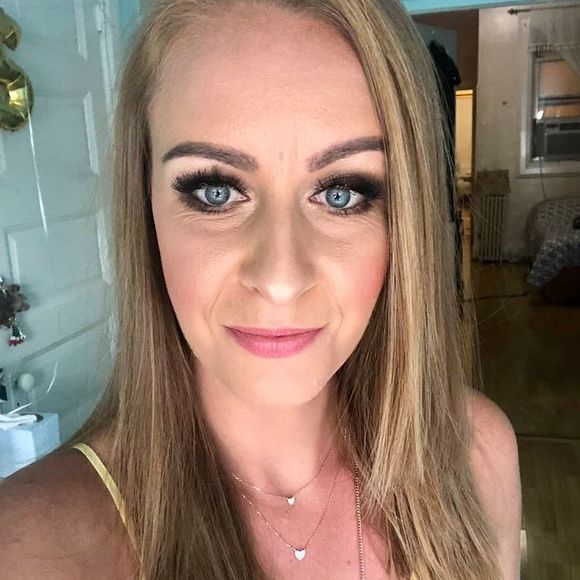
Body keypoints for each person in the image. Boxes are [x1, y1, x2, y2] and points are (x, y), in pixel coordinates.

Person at [0, 0, 521, 578]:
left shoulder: (478, 455)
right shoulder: (30, 548)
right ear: (146, 211)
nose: (280, 280)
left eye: (342, 193)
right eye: (216, 192)